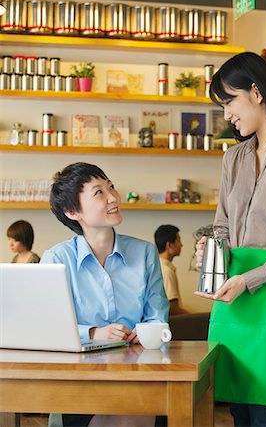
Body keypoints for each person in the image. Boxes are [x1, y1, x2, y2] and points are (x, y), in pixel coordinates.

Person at [195, 51, 266, 427]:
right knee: (238, 412)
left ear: (256, 91)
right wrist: (210, 253)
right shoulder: (233, 158)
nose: (227, 115)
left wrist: (249, 279)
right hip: (232, 300)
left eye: (229, 102)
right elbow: (222, 226)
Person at [41, 162, 169, 427]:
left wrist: (146, 331)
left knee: (136, 406)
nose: (113, 197)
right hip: (80, 383)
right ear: (72, 211)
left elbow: (158, 318)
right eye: (99, 192)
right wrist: (92, 333)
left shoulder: (145, 253)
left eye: (111, 187)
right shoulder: (56, 259)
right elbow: (47, 330)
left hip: (139, 376)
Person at [154, 224, 189, 315]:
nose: (181, 245)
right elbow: (172, 308)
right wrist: (194, 318)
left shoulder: (156, 266)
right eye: (179, 241)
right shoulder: (166, 271)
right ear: (169, 245)